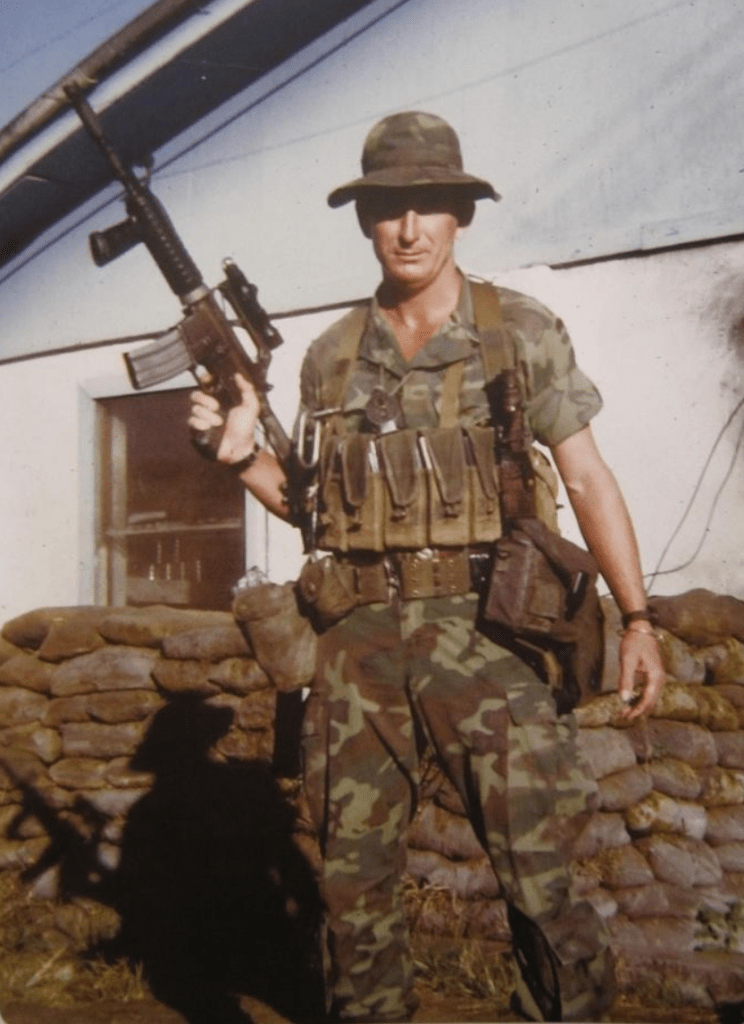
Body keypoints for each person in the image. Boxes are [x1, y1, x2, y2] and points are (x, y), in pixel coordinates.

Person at [189, 111, 665, 1023]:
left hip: (491, 635)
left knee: (539, 874)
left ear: (461, 216)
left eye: (428, 206)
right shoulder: (330, 358)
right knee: (351, 884)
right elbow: (314, 509)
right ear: (365, 221)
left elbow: (587, 473)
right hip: (359, 644)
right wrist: (239, 455)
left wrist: (638, 619)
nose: (408, 229)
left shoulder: (518, 332)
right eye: (386, 209)